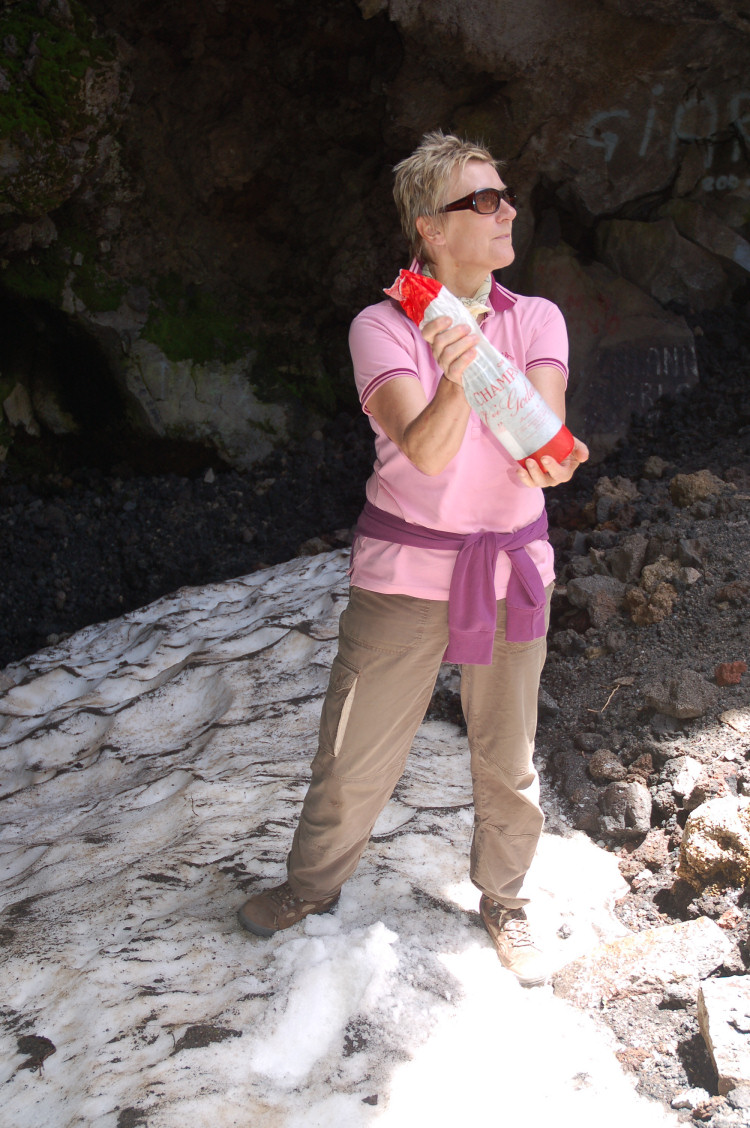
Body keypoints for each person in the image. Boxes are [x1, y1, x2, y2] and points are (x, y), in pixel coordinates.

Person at [238, 131, 588, 987]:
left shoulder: (536, 318)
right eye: (483, 200)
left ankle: (505, 901)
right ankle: (310, 887)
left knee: (508, 755)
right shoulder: (382, 325)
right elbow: (425, 453)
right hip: (403, 573)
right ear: (429, 228)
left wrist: (557, 453)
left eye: (505, 195)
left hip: (510, 569)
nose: (507, 210)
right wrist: (458, 369)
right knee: (354, 754)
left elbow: (540, 441)